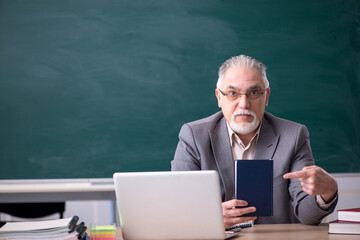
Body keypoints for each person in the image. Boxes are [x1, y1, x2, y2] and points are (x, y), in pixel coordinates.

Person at [171, 55, 338, 228]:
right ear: (219, 97)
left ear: (266, 97)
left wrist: (328, 192)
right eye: (233, 93)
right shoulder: (193, 135)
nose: (243, 104)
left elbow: (307, 213)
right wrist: (209, 216)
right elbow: (179, 204)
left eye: (253, 93)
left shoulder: (294, 136)